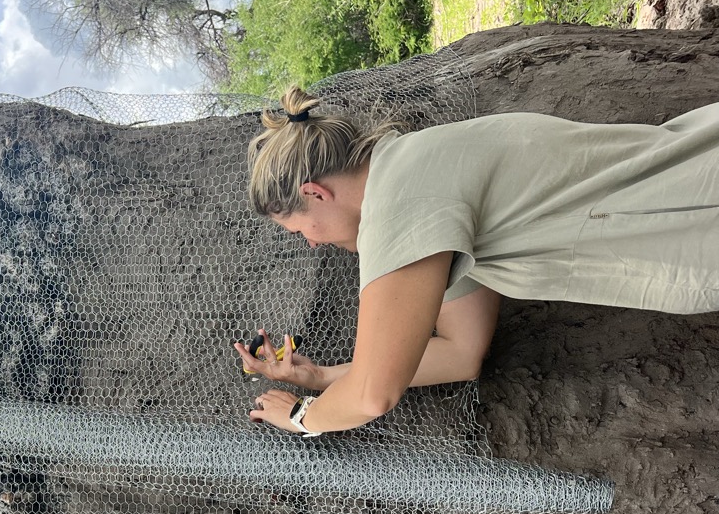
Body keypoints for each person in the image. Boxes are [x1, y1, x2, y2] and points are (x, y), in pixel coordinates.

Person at [233, 86, 719, 437]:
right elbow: (462, 351)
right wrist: (318, 377)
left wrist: (302, 418)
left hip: (694, 220)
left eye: (301, 231)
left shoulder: (396, 210)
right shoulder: (418, 166)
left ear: (314, 193)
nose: (313, 245)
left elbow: (371, 395)